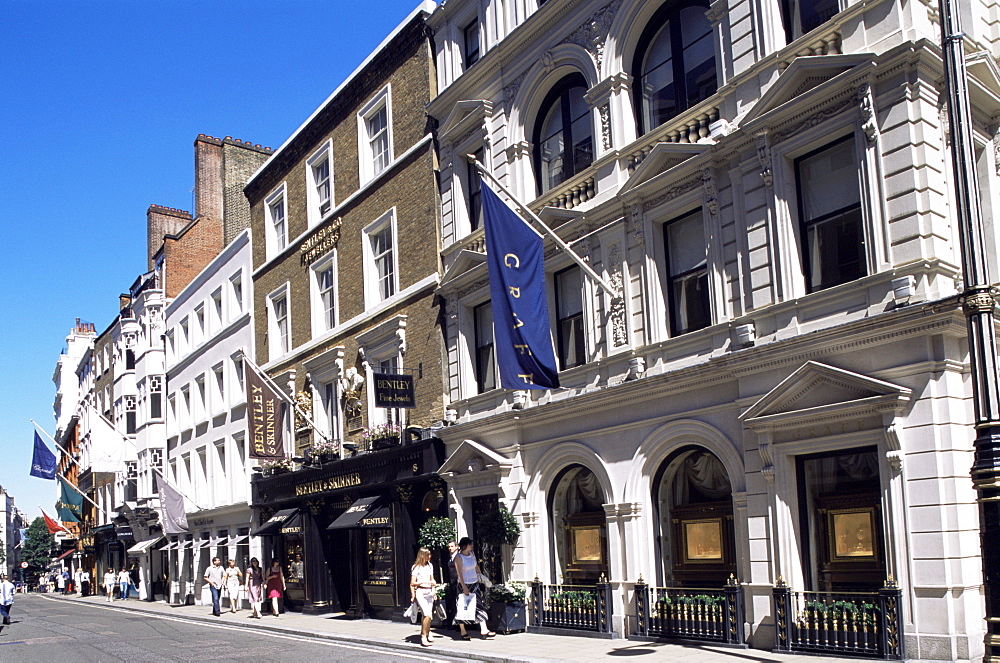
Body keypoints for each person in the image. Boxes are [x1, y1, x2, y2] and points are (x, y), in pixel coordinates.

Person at [454, 537, 494, 640]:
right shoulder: (459, 557)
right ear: (465, 545)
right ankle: (463, 631)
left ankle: (484, 629)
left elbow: (476, 566)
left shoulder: (472, 554)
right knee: (463, 607)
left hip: (474, 583)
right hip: (464, 585)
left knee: (479, 606)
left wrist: (481, 577)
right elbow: (459, 574)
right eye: (470, 544)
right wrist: (464, 588)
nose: (472, 546)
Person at [410, 547, 436, 647]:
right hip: (421, 591)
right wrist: (423, 582)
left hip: (429, 592)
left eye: (429, 555)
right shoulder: (416, 567)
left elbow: (432, 579)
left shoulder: (430, 566)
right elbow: (412, 583)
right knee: (427, 614)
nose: (429, 557)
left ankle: (427, 632)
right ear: (422, 556)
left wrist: (434, 591)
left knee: (428, 616)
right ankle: (423, 636)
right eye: (427, 555)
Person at [444, 540, 459, 627]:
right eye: (449, 547)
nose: (450, 548)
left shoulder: (459, 556)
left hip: (458, 583)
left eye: (452, 546)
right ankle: (454, 622)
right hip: (452, 584)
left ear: (456, 547)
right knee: (453, 603)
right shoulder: (449, 557)